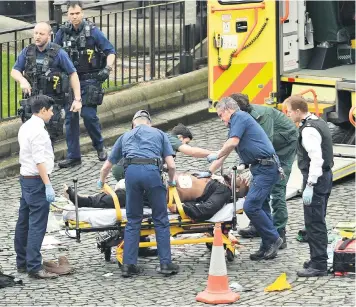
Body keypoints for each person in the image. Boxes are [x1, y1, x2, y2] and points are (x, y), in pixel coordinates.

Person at [97, 110, 179, 277]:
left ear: (134, 124)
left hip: (132, 174)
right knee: (160, 219)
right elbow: (171, 166)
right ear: (149, 123)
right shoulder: (159, 134)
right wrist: (171, 182)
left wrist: (102, 182)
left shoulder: (125, 136)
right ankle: (165, 264)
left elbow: (106, 166)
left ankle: (128, 265)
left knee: (133, 219)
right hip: (152, 173)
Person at [206, 97, 284, 260]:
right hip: (260, 167)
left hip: (266, 168)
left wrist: (217, 155)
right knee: (262, 206)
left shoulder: (239, 117)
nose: (221, 120)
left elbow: (231, 144)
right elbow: (227, 150)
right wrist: (208, 172)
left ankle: (274, 238)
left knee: (251, 206)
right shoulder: (237, 122)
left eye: (221, 115)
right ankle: (266, 247)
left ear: (228, 110)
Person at [228, 93, 298, 249]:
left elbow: (265, 144)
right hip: (267, 150)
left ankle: (279, 232)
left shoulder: (263, 117)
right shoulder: (242, 118)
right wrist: (243, 163)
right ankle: (261, 226)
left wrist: (250, 165)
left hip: (284, 146)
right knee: (260, 185)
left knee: (277, 187)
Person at [55, 0, 116, 167]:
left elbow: (110, 51)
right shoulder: (62, 33)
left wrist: (108, 68)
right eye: (71, 14)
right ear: (67, 15)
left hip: (89, 79)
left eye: (77, 13)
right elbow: (54, 53)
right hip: (70, 81)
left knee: (89, 116)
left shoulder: (93, 32)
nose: (75, 17)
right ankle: (74, 156)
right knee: (70, 118)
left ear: (82, 13)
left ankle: (99, 145)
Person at [63, 172, 248, 221]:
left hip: (164, 194)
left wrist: (180, 208)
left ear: (236, 190)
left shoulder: (222, 193)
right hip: (162, 184)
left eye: (240, 180)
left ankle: (83, 201)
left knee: (123, 198)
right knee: (124, 193)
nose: (238, 176)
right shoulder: (217, 180)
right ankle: (86, 199)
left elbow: (207, 210)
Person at [285, 95, 333, 277]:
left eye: (289, 111)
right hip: (326, 176)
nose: (288, 115)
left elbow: (316, 159)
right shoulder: (317, 121)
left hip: (317, 179)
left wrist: (310, 184)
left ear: (298, 111)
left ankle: (319, 264)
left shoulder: (308, 130)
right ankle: (317, 258)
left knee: (314, 222)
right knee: (317, 218)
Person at [11, 22, 82, 143]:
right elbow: (14, 71)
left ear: (49, 36)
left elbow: (73, 74)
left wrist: (77, 99)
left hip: (51, 103)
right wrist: (22, 80)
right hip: (33, 103)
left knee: (48, 140)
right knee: (31, 139)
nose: (37, 36)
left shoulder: (59, 53)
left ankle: (48, 162)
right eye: (36, 33)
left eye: (41, 34)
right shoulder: (27, 51)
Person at [15, 95, 59, 279]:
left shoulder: (26, 126)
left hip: (26, 178)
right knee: (37, 224)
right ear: (43, 111)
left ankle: (22, 262)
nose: (52, 113)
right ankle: (34, 266)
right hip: (36, 180)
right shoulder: (39, 132)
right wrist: (47, 184)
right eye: (50, 110)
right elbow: (39, 160)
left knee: (23, 221)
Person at [111, 123, 212, 181]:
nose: (186, 145)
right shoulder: (171, 139)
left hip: (122, 166)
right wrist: (212, 153)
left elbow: (165, 167)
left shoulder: (164, 139)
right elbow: (192, 151)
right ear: (180, 137)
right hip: (126, 167)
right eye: (186, 142)